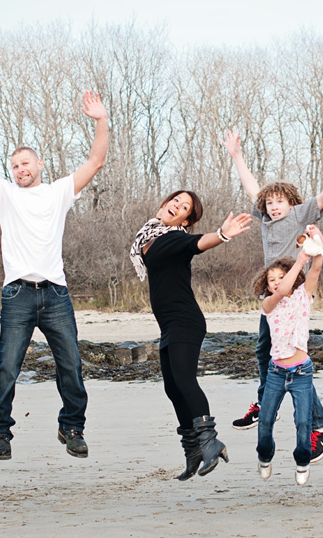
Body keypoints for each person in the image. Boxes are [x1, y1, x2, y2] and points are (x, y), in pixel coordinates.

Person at [0, 89, 109, 460]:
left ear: (40, 164)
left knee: (71, 363)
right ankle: (0, 434)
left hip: (55, 292)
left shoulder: (59, 192)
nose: (20, 170)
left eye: (26, 163)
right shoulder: (5, 194)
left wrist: (101, 120)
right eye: (15, 166)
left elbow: (96, 161)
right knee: (7, 366)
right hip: (17, 295)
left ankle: (72, 427)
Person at [222, 129, 323, 463]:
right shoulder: (266, 221)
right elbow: (252, 188)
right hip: (273, 292)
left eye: (278, 202)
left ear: (292, 203)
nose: (273, 207)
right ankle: (264, 403)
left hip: (294, 294)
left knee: (295, 362)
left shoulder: (300, 214)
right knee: (264, 352)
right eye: (269, 204)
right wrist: (237, 156)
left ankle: (318, 427)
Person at [130, 191, 252, 480]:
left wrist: (222, 234)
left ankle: (210, 442)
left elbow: (199, 243)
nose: (178, 206)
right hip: (169, 324)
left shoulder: (176, 238)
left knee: (185, 381)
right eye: (177, 201)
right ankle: (193, 450)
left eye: (185, 208)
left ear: (186, 219)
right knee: (172, 389)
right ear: (165, 203)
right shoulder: (150, 235)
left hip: (186, 321)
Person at [255, 225, 323, 486]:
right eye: (271, 279)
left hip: (301, 372)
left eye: (280, 277)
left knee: (303, 424)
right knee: (265, 421)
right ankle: (264, 456)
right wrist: (298, 262)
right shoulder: (268, 304)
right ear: (266, 284)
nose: (276, 281)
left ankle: (302, 461)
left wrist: (317, 241)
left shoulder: (303, 296)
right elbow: (282, 291)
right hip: (276, 373)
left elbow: (316, 266)